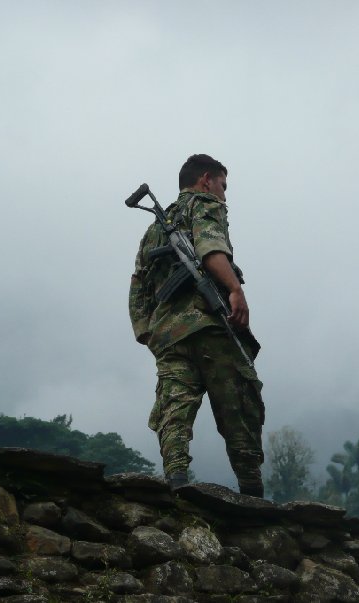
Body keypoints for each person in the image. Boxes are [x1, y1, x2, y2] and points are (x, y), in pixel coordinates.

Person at [128, 153, 265, 497]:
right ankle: (252, 490)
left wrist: (147, 331)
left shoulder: (153, 230)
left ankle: (176, 479)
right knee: (238, 403)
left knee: (174, 407)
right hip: (210, 326)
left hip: (169, 336)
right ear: (206, 180)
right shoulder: (204, 205)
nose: (224, 193)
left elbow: (139, 284)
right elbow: (210, 248)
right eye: (222, 185)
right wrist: (234, 289)